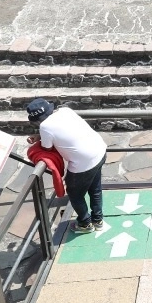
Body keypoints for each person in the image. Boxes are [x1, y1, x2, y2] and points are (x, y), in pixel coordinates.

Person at [26, 98, 107, 233]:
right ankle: (98, 220)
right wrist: (40, 136)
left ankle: (85, 223)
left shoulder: (44, 127)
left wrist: (40, 137)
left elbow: (47, 148)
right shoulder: (65, 111)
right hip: (99, 151)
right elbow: (63, 130)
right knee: (95, 188)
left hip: (82, 163)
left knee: (74, 194)